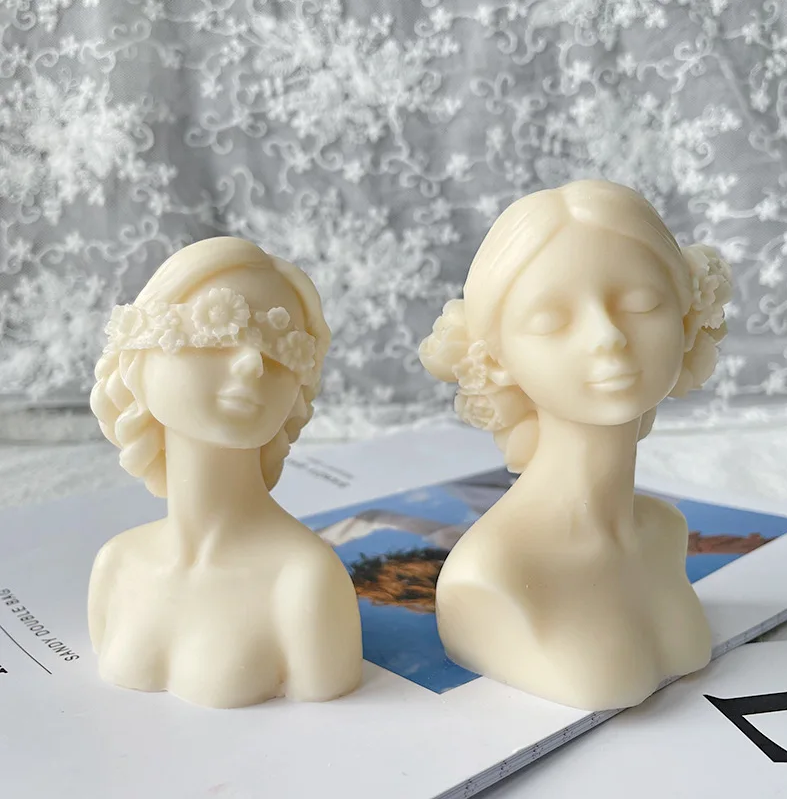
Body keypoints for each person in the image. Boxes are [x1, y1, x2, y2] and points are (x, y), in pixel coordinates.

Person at [419, 180, 732, 710]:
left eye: (642, 303)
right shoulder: (492, 576)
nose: (607, 335)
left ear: (685, 321)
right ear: (495, 355)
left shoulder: (663, 532)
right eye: (551, 321)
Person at [88, 237, 362, 708]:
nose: (252, 363)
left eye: (281, 352)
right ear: (138, 358)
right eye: (216, 334)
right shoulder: (116, 565)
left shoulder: (304, 581)